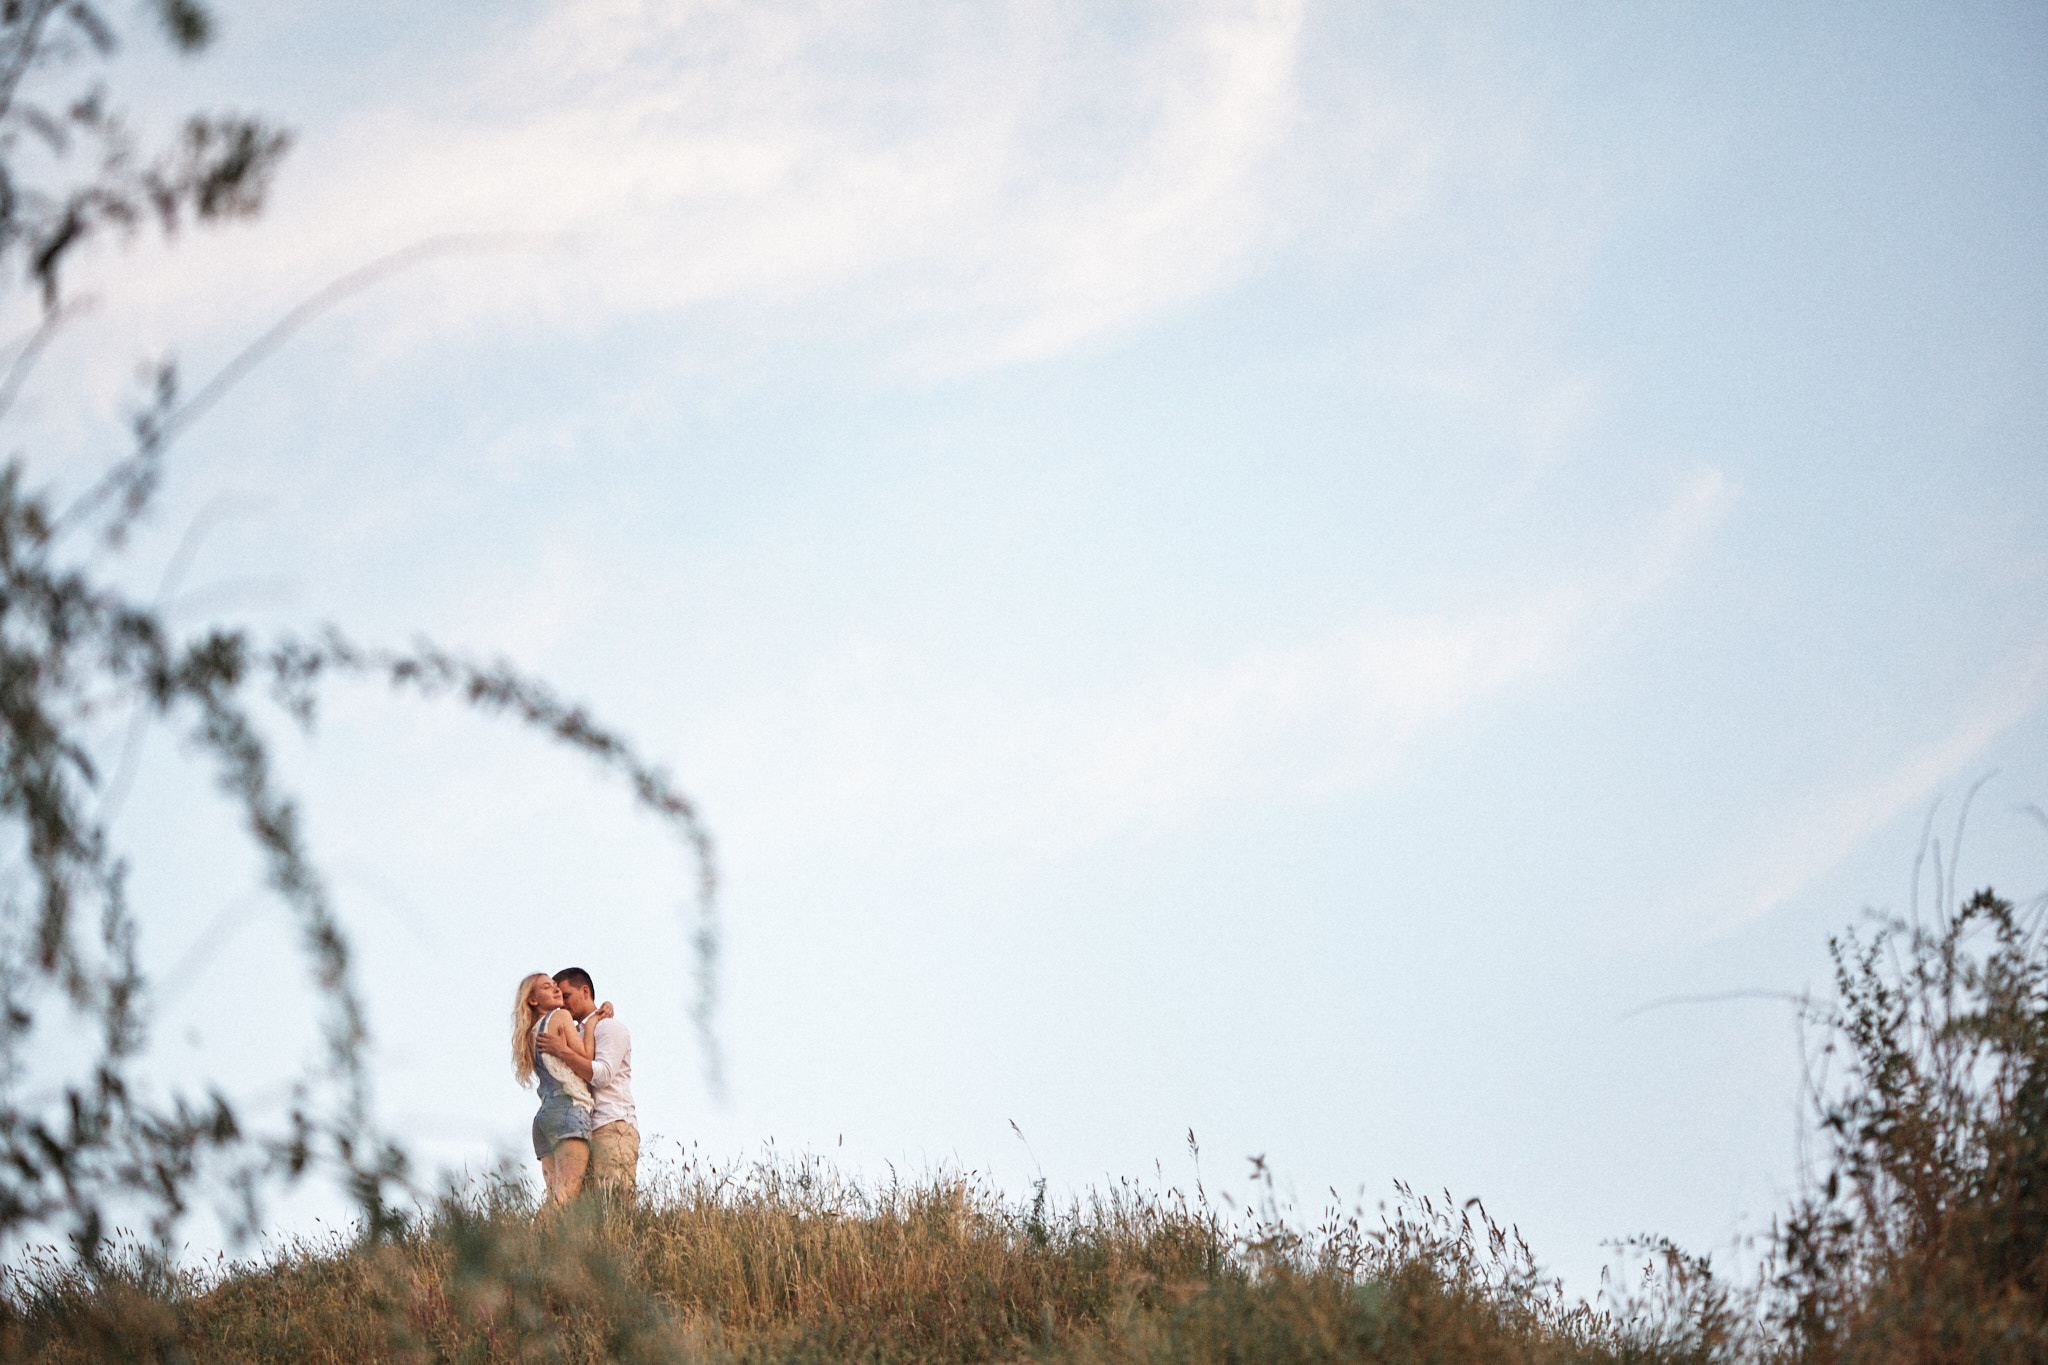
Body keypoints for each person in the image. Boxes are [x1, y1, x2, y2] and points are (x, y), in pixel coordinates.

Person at [536, 966, 639, 1205]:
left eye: (567, 995)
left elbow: (602, 1075)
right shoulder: (573, 1032)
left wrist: (562, 1051)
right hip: (580, 1129)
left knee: (615, 1203)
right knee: (585, 1211)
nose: (562, 1004)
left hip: (611, 1124)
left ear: (585, 991)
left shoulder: (609, 1027)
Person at [510, 971, 610, 1209]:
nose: (555, 989)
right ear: (533, 1000)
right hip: (569, 1110)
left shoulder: (530, 1032)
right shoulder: (560, 1016)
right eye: (547, 987)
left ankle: (535, 1234)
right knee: (566, 1196)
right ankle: (542, 1235)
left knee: (553, 1198)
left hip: (544, 1119)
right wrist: (592, 1024)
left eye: (555, 985)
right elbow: (586, 1059)